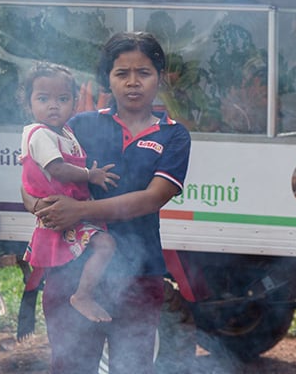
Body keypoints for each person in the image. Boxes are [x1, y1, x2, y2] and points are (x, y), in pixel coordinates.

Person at [22, 31, 191, 373]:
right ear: (107, 79)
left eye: (143, 73)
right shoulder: (79, 126)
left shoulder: (174, 135)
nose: (133, 83)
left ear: (159, 77)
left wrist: (80, 210)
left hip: (139, 279)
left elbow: (152, 198)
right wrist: (38, 206)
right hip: (71, 273)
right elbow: (34, 176)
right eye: (121, 73)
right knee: (71, 367)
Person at [19, 62, 119, 323]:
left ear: (74, 103)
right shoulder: (39, 134)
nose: (53, 105)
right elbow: (58, 170)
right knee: (106, 246)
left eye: (62, 99)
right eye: (43, 98)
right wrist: (90, 175)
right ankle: (83, 295)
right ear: (28, 104)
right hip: (61, 213)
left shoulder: (64, 132)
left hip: (72, 211)